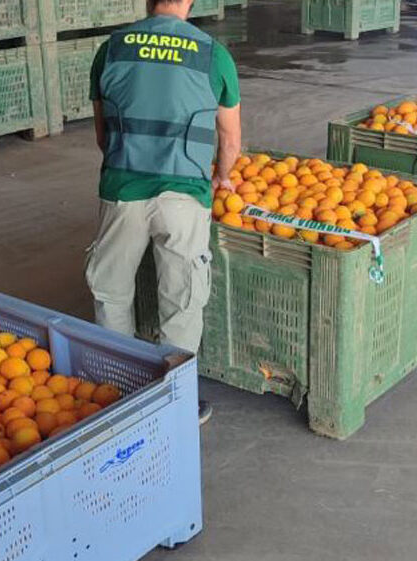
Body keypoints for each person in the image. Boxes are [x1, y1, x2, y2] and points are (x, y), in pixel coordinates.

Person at [86, 0, 242, 424]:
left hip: (123, 187)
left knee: (113, 291)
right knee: (182, 299)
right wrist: (221, 177)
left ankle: (117, 390)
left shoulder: (112, 49)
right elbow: (229, 142)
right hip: (185, 195)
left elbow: (103, 135)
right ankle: (177, 398)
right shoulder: (213, 54)